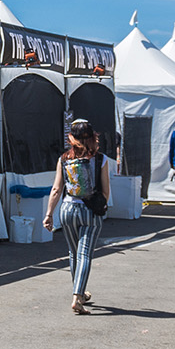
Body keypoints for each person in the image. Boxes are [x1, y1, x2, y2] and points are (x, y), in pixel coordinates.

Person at [43, 119, 111, 315]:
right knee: (85, 254)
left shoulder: (64, 159)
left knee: (74, 253)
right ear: (93, 137)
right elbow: (106, 191)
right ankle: (77, 297)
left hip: (67, 209)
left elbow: (57, 189)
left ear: (71, 138)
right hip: (90, 212)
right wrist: (99, 204)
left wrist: (49, 214)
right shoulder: (101, 159)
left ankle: (79, 292)